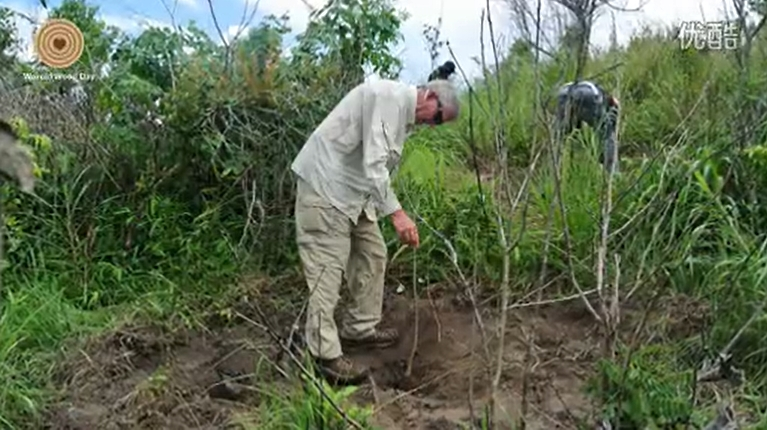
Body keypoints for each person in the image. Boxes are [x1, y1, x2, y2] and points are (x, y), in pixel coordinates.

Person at [290, 67, 460, 383]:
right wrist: (398, 214)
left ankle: (359, 330)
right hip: (325, 189)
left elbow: (371, 167)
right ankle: (324, 356)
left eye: (439, 123)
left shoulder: (403, 116)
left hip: (353, 195)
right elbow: (374, 165)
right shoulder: (388, 98)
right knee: (327, 270)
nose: (433, 125)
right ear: (430, 96)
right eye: (437, 117)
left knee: (373, 253)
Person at [554, 80, 621, 174]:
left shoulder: (596, 88)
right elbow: (611, 121)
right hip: (589, 97)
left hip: (563, 95)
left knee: (559, 138)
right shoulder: (604, 97)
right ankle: (612, 172)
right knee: (607, 134)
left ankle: (556, 168)